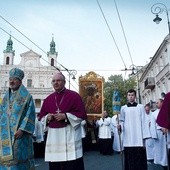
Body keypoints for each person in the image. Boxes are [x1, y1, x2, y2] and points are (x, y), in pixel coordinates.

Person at [38, 72, 87, 170]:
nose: (55, 83)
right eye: (53, 81)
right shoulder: (48, 99)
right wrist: (47, 117)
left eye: (58, 80)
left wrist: (66, 116)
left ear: (64, 82)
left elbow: (82, 114)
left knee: (72, 164)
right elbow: (41, 117)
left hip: (70, 136)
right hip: (54, 138)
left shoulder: (74, 96)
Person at [0, 67, 35, 169]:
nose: (11, 81)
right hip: (5, 134)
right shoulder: (5, 98)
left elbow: (31, 115)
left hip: (20, 135)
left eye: (14, 79)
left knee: (18, 161)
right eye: (10, 79)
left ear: (20, 82)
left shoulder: (27, 97)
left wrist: (22, 130)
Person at [118, 89, 150, 170]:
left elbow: (144, 121)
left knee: (139, 159)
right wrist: (120, 126)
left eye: (132, 95)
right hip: (128, 138)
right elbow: (122, 121)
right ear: (127, 96)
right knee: (129, 159)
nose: (130, 96)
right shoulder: (123, 108)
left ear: (135, 96)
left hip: (138, 138)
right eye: (129, 95)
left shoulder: (140, 107)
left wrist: (144, 137)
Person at [150, 99, 168, 170]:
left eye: (158, 103)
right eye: (156, 103)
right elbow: (152, 125)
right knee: (161, 151)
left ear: (162, 103)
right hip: (159, 134)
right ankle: (163, 164)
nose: (156, 104)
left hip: (167, 132)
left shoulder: (167, 111)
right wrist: (154, 135)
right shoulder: (154, 113)